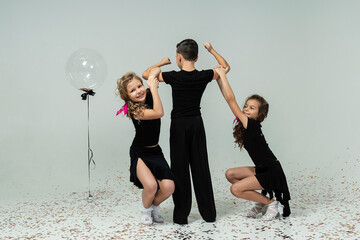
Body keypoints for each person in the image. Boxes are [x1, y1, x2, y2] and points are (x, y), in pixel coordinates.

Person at [142, 39, 230, 224]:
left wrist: (161, 63)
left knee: (180, 168)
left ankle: (181, 216)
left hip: (179, 125)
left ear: (179, 58)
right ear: (197, 58)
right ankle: (209, 214)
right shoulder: (204, 75)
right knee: (201, 167)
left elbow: (146, 75)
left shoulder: (174, 76)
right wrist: (212, 50)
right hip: (197, 124)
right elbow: (225, 67)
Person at [214, 66, 291, 220]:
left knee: (235, 189)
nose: (246, 109)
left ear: (259, 114)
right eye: (246, 106)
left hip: (271, 172)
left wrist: (223, 75)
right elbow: (227, 99)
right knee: (230, 174)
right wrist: (218, 79)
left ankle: (271, 203)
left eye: (252, 108)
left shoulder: (252, 124)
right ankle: (261, 202)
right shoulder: (247, 125)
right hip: (263, 169)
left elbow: (231, 100)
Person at [116, 69, 175, 225]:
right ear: (127, 96)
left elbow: (150, 72)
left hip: (155, 150)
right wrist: (153, 88)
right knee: (151, 186)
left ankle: (154, 206)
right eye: (132, 91)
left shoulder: (148, 94)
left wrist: (161, 63)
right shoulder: (135, 111)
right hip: (140, 151)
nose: (138, 91)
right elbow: (159, 112)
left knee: (169, 187)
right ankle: (145, 210)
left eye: (139, 86)